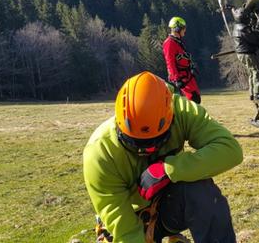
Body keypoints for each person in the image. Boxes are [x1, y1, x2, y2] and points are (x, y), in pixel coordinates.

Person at [83, 72, 243, 243]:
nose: (145, 151)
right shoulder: (100, 153)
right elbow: (126, 231)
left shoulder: (181, 111)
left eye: (155, 142)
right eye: (135, 144)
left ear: (170, 118)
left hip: (166, 207)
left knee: (201, 191)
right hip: (128, 218)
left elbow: (230, 150)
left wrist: (169, 169)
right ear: (120, 126)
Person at [163, 16, 201, 104]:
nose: (185, 31)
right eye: (183, 28)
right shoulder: (169, 43)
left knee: (196, 98)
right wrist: (177, 79)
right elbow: (170, 62)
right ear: (177, 29)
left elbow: (182, 57)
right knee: (193, 100)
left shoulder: (177, 41)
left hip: (187, 75)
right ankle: (188, 117)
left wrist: (191, 67)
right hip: (181, 78)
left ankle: (191, 117)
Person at [232, 8, 259, 100]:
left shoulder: (237, 27)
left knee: (251, 72)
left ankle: (252, 93)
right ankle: (257, 93)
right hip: (247, 54)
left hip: (242, 54)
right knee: (256, 71)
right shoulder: (243, 28)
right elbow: (254, 40)